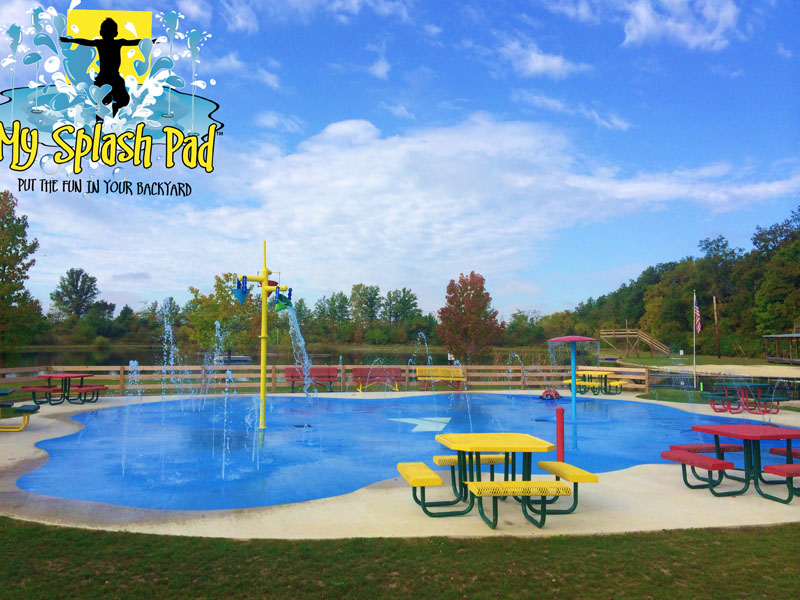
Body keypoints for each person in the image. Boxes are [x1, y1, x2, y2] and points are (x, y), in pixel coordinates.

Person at [60, 18, 150, 116]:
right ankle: (107, 117)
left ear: (101, 32)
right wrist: (149, 42)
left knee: (111, 102)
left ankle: (106, 117)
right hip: (108, 78)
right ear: (115, 33)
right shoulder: (113, 42)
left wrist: (70, 40)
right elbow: (135, 42)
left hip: (106, 78)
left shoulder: (105, 43)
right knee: (112, 102)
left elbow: (85, 41)